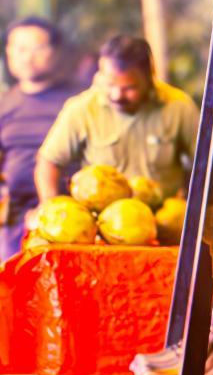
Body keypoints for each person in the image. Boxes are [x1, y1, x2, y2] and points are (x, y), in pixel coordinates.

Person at [36, 34, 200, 201]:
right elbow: (49, 161)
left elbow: (206, 164)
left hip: (164, 219)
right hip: (104, 222)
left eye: (128, 88)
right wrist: (49, 205)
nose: (116, 95)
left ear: (149, 78)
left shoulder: (178, 107)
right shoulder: (81, 109)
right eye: (109, 84)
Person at [0, 17, 85, 257]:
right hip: (15, 220)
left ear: (56, 53)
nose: (28, 57)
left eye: (38, 49)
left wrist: (48, 208)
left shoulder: (78, 102)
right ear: (9, 53)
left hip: (72, 220)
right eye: (20, 49)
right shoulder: (4, 104)